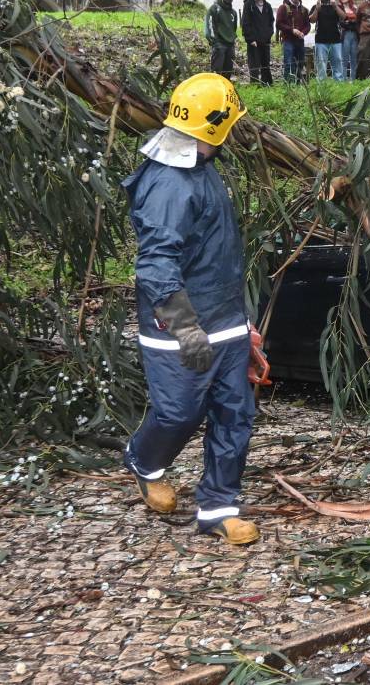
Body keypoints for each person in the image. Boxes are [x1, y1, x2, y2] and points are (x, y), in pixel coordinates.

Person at [121, 72, 260, 546]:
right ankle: (144, 461)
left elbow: (218, 252)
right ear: (217, 126)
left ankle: (218, 508)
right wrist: (186, 329)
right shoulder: (169, 185)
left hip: (225, 322)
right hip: (179, 328)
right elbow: (156, 264)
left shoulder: (201, 166)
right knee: (179, 412)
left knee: (234, 415)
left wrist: (244, 323)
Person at [241, 0, 275, 85]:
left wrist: (268, 35)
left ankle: (267, 85)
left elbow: (271, 22)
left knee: (265, 64)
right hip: (253, 41)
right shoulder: (248, 5)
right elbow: (245, 23)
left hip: (265, 41)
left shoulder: (267, 6)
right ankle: (255, 86)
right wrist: (250, 39)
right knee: (254, 66)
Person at [275, 0, 310, 83]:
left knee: (300, 63)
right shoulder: (283, 8)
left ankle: (298, 83)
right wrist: (292, 30)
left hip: (300, 40)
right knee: (289, 63)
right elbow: (278, 23)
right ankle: (288, 85)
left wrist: (303, 33)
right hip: (288, 40)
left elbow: (308, 25)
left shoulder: (304, 10)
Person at [204, 0, 239, 79]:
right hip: (219, 45)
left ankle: (224, 91)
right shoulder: (214, 9)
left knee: (227, 72)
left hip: (230, 46)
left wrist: (232, 40)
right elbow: (209, 27)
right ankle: (214, 92)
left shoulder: (234, 13)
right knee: (216, 72)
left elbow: (233, 28)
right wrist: (215, 43)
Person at [311, 0, 344, 81]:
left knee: (337, 62)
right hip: (320, 40)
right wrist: (317, 9)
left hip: (336, 39)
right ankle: (322, 83)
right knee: (321, 63)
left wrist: (336, 6)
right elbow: (312, 21)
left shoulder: (337, 6)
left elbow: (343, 17)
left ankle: (339, 82)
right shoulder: (316, 6)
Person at [336, 0, 360, 81]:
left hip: (355, 35)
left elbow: (358, 21)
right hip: (344, 35)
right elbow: (340, 22)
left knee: (354, 59)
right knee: (344, 59)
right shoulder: (339, 8)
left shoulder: (355, 8)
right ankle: (343, 81)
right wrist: (350, 23)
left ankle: (353, 80)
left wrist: (350, 22)